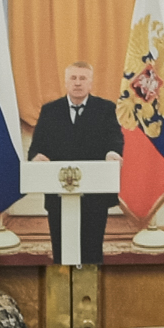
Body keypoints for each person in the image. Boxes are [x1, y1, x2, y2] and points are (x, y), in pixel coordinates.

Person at [26, 61, 125, 264]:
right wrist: (36, 157)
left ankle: (89, 285)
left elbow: (115, 139)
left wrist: (112, 153)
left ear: (91, 83)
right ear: (65, 82)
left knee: (92, 250)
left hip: (94, 196)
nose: (77, 83)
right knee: (61, 249)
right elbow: (36, 148)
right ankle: (63, 283)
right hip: (58, 194)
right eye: (73, 78)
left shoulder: (105, 109)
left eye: (82, 78)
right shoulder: (50, 111)